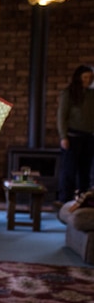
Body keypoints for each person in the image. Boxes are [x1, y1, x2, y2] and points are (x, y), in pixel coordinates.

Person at [57, 64, 94, 204]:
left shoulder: (91, 95)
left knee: (85, 171)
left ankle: (83, 200)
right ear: (79, 78)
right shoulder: (68, 93)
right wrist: (63, 137)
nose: (88, 80)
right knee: (69, 171)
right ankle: (65, 200)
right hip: (72, 137)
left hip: (89, 137)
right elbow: (62, 117)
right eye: (85, 77)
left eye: (90, 77)